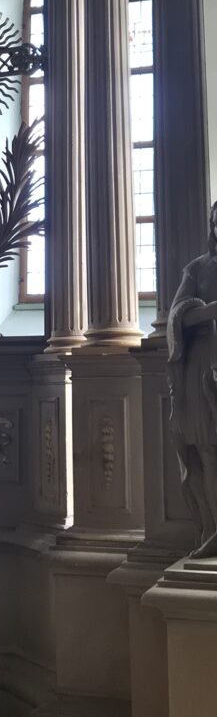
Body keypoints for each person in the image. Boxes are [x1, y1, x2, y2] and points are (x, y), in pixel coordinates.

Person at [168, 201, 217, 557]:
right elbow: (176, 316)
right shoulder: (198, 269)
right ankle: (213, 528)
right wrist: (209, 311)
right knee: (208, 452)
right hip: (203, 365)